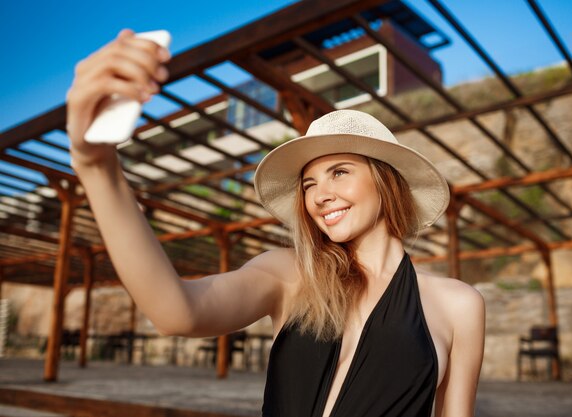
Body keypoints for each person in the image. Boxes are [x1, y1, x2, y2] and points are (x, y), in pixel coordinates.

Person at [67, 29, 485, 417]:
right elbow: (178, 313)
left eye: (339, 172)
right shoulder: (290, 274)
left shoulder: (458, 305)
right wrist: (96, 166)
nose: (320, 195)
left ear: (384, 181)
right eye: (308, 183)